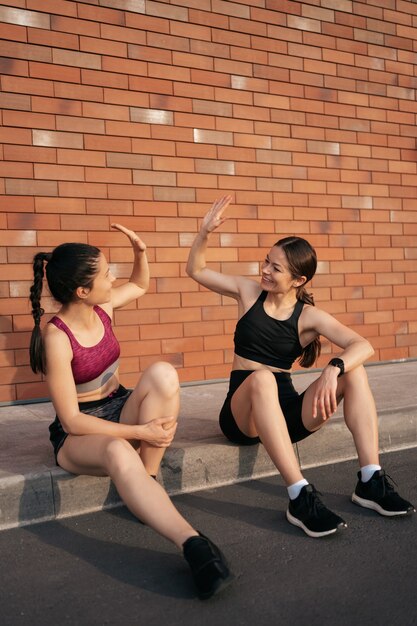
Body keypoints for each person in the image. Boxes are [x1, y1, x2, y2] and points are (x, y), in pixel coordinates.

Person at [186, 196, 415, 539]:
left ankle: (370, 479)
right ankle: (298, 495)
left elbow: (362, 345)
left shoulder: (309, 317)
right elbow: (196, 270)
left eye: (275, 268)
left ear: (298, 280)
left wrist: (332, 368)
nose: (264, 270)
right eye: (267, 262)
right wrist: (204, 232)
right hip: (242, 413)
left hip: (287, 411)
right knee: (263, 378)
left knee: (354, 370)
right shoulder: (248, 292)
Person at [29, 223, 233, 599]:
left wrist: (140, 251)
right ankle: (193, 544)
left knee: (163, 374)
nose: (114, 276)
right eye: (106, 273)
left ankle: (148, 481)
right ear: (82, 290)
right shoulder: (56, 337)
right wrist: (141, 434)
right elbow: (72, 420)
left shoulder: (103, 306)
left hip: (119, 405)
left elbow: (139, 285)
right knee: (116, 449)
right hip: (79, 434)